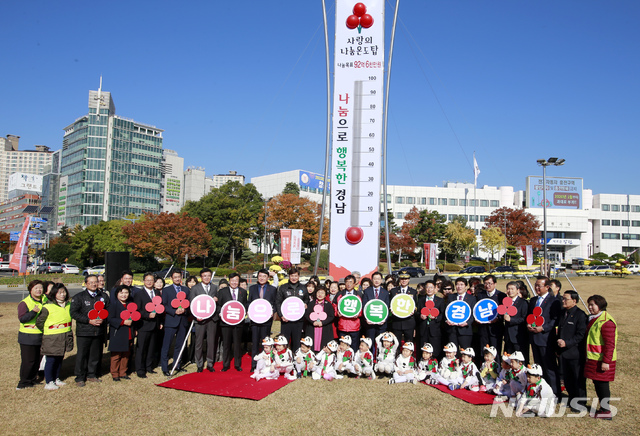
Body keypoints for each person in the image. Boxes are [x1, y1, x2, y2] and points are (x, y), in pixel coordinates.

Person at [71, 274, 110, 386]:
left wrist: (103, 319)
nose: (93, 284)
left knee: (95, 354)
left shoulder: (103, 296)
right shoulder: (79, 297)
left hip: (98, 331)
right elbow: (74, 313)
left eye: (95, 282)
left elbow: (108, 310)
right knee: (82, 355)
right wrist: (89, 320)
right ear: (86, 284)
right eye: (91, 282)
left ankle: (92, 375)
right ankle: (80, 377)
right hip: (84, 331)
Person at [584, 294, 617, 420]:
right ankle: (603, 409)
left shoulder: (606, 322)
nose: (590, 307)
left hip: (601, 360)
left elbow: (610, 344)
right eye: (589, 304)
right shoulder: (593, 318)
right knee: (597, 384)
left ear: (600, 306)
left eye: (593, 305)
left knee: (602, 385)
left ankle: (605, 410)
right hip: (594, 359)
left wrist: (606, 361)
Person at [527, 276, 561, 396]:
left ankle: (555, 393)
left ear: (547, 287)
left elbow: (555, 320)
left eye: (539, 286)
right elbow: (530, 316)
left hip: (546, 338)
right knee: (539, 367)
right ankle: (541, 391)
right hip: (534, 338)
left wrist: (544, 328)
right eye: (535, 285)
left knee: (549, 367)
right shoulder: (533, 300)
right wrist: (529, 325)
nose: (536, 288)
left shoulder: (554, 301)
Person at [36, 283, 73, 390]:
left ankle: (56, 378)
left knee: (59, 359)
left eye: (64, 292)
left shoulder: (68, 305)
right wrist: (49, 329)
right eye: (59, 292)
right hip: (52, 338)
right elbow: (40, 322)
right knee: (51, 359)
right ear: (54, 293)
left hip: (65, 335)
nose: (62, 294)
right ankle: (49, 381)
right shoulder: (47, 306)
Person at [556, 290, 587, 412]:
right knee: (567, 378)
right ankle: (572, 398)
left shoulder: (580, 315)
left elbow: (580, 335)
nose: (563, 301)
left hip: (575, 353)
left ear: (574, 301)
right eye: (563, 298)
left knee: (577, 378)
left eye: (566, 299)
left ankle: (581, 402)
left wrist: (567, 343)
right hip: (563, 353)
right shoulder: (563, 313)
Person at [16, 280, 46, 390]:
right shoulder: (24, 303)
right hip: (28, 336)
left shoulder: (45, 300)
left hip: (41, 335)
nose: (39, 290)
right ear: (30, 290)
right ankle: (23, 382)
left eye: (40, 288)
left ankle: (33, 379)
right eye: (36, 288)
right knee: (28, 361)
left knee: (37, 360)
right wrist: (33, 312)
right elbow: (22, 319)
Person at [161, 270, 191, 376]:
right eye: (175, 277)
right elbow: (164, 305)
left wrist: (185, 310)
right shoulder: (166, 290)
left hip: (182, 321)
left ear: (181, 277)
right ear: (171, 278)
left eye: (179, 277)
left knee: (180, 345)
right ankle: (165, 367)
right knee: (167, 345)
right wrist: (174, 311)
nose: (177, 279)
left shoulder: (186, 290)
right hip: (171, 321)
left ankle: (177, 365)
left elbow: (189, 304)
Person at [189, 268, 219, 373]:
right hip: (200, 319)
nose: (207, 278)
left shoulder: (215, 287)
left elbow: (217, 304)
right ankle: (199, 364)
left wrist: (216, 299)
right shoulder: (195, 288)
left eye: (208, 276)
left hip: (212, 319)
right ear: (201, 277)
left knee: (211, 342)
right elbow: (191, 304)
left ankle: (210, 363)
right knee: (199, 342)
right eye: (204, 276)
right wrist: (195, 316)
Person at [217, 273, 248, 371]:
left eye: (236, 280)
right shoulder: (222, 291)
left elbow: (245, 305)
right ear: (229, 281)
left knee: (237, 343)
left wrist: (245, 311)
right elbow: (218, 305)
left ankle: (237, 364)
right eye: (232, 280)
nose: (234, 282)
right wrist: (220, 312)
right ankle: (226, 364)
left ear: (239, 282)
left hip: (238, 322)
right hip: (225, 322)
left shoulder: (243, 292)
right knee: (226, 343)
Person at [248, 268, 277, 370]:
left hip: (266, 320)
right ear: (258, 277)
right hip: (255, 320)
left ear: (268, 277)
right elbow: (249, 302)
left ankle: (266, 364)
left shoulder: (272, 289)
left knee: (266, 342)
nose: (262, 278)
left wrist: (272, 311)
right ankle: (254, 365)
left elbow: (275, 303)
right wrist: (249, 311)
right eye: (260, 276)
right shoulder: (252, 288)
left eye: (264, 276)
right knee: (255, 342)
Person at [133, 272, 161, 378]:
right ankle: (140, 369)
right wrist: (147, 315)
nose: (149, 282)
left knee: (151, 348)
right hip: (143, 325)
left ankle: (149, 367)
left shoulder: (157, 293)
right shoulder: (139, 294)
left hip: (154, 326)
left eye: (151, 280)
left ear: (154, 282)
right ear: (144, 281)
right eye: (147, 280)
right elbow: (137, 310)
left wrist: (159, 322)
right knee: (141, 349)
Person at [107, 285, 135, 381]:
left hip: (129, 332)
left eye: (126, 293)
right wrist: (122, 322)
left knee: (126, 354)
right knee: (116, 355)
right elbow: (110, 319)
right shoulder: (113, 304)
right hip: (118, 332)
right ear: (117, 294)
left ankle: (123, 372)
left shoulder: (130, 304)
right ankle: (115, 374)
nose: (124, 295)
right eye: (121, 293)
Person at [275, 267, 306, 348]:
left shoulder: (303, 288)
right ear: (289, 276)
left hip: (298, 321)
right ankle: (283, 359)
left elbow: (306, 300)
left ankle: (296, 359)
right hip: (286, 320)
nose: (294, 278)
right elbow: (278, 302)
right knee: (284, 342)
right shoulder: (283, 288)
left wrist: (306, 304)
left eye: (296, 276)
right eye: (292, 276)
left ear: (299, 276)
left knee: (297, 342)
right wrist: (281, 315)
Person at [476, 274, 505, 358]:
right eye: (485, 283)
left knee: (496, 351)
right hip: (483, 329)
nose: (487, 285)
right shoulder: (480, 295)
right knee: (484, 351)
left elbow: (503, 312)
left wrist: (498, 318)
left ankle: (496, 369)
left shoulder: (501, 296)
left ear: (495, 284)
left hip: (495, 329)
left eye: (490, 283)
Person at [362, 271, 391, 354]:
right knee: (369, 343)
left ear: (381, 280)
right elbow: (364, 306)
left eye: (379, 279)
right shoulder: (367, 291)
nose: (377, 281)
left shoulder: (385, 292)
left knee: (381, 344)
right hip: (370, 323)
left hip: (381, 324)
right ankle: (369, 360)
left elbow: (387, 307)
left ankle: (379, 360)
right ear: (372, 280)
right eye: (375, 279)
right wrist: (366, 318)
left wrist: (385, 319)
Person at [502, 281, 530, 363]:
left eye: (512, 289)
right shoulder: (505, 302)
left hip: (519, 336)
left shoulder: (523, 302)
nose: (510, 291)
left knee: (521, 359)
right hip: (508, 336)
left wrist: (511, 320)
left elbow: (524, 319)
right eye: (508, 289)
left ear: (518, 290)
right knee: (509, 359)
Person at [416, 280, 445, 359]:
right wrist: (420, 316)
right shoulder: (421, 299)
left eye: (431, 287)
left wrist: (436, 317)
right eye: (427, 287)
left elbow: (443, 315)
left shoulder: (440, 300)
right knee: (423, 349)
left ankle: (435, 366)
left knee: (435, 350)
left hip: (435, 330)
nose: (429, 289)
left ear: (435, 288)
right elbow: (417, 312)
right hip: (423, 329)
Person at [446, 278, 476, 352]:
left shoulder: (472, 298)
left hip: (465, 330)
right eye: (457, 284)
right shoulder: (451, 297)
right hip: (452, 330)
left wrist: (467, 322)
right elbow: (446, 311)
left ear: (466, 286)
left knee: (465, 352)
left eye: (461, 285)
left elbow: (473, 314)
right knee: (452, 352)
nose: (459, 287)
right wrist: (447, 320)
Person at [304, 286, 335, 352]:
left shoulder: (328, 304)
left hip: (324, 327)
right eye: (318, 292)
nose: (320, 295)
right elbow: (307, 315)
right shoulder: (311, 303)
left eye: (322, 293)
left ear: (325, 294)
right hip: (313, 327)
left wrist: (323, 322)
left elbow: (331, 316)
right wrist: (313, 322)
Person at [389, 272, 417, 344]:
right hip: (397, 322)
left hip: (409, 322)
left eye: (406, 279)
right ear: (399, 280)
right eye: (402, 279)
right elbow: (390, 304)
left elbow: (416, 306)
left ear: (409, 280)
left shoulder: (413, 292)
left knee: (409, 343)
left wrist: (414, 311)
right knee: (396, 344)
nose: (404, 281)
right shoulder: (393, 291)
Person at [335, 275, 363, 346]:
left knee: (354, 346)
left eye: (351, 282)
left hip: (355, 326)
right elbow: (334, 305)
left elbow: (363, 307)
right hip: (342, 325)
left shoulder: (359, 295)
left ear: (354, 283)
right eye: (347, 282)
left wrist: (359, 313)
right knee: (342, 346)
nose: (348, 284)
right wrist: (337, 312)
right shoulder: (340, 294)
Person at [185, 275, 199, 364]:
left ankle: (192, 357)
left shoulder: (198, 292)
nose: (191, 284)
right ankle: (184, 357)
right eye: (190, 282)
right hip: (186, 318)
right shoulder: (185, 292)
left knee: (194, 339)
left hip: (194, 319)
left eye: (193, 282)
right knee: (184, 339)